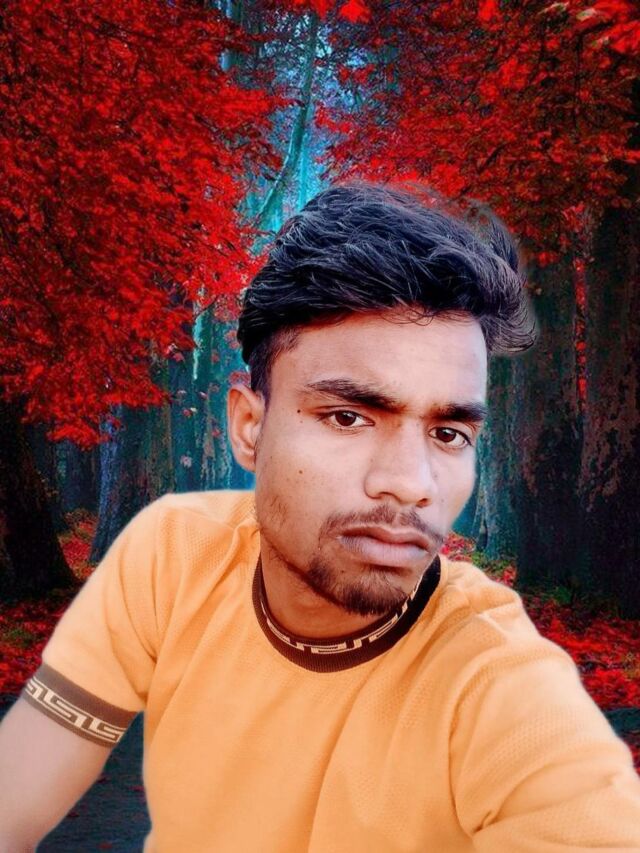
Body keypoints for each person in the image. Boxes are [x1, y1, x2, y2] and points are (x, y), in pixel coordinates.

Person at [1, 180, 639, 853]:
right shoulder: (174, 555)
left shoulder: (500, 685)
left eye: (449, 432)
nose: (410, 483)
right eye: (348, 417)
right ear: (249, 427)